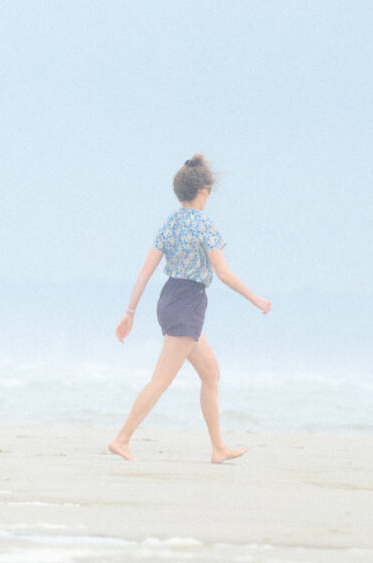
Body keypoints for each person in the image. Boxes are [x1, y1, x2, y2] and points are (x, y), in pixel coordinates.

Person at [108, 155, 271, 464]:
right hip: (188, 303)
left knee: (210, 374)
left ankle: (218, 448)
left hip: (170, 298)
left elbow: (145, 272)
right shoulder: (203, 226)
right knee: (161, 380)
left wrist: (130, 312)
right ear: (204, 192)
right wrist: (254, 299)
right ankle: (121, 438)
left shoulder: (170, 223)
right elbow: (223, 274)